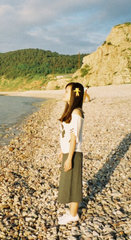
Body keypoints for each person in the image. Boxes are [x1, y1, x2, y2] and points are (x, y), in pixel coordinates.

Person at [57, 82, 85, 225]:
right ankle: (72, 211)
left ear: (74, 95)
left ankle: (73, 215)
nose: (64, 94)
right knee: (68, 181)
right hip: (69, 152)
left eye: (67, 92)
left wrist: (69, 158)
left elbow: (74, 136)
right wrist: (63, 152)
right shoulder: (71, 111)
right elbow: (65, 135)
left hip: (74, 153)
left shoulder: (76, 112)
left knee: (74, 184)